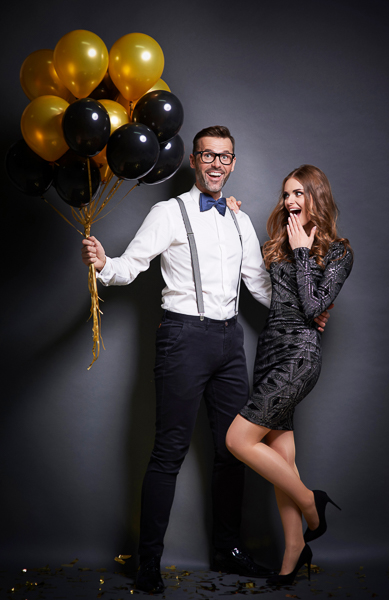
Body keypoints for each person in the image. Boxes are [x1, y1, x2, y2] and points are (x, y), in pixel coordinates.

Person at [81, 128, 330, 593]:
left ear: (233, 163)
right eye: (208, 156)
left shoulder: (239, 220)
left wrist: (307, 309)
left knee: (230, 451)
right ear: (195, 161)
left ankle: (228, 550)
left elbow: (259, 286)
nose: (217, 164)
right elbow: (129, 267)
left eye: (225, 157)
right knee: (168, 452)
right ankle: (149, 562)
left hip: (230, 342)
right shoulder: (167, 213)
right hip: (182, 337)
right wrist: (103, 263)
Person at [226, 164, 353, 586]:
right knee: (282, 457)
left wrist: (303, 252)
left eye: (298, 193)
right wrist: (234, 217)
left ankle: (311, 502)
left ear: (316, 196)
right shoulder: (276, 245)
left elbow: (315, 307)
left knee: (237, 440)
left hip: (299, 357)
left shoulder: (338, 251)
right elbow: (253, 279)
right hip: (268, 354)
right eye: (285, 195)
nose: (289, 202)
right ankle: (294, 552)